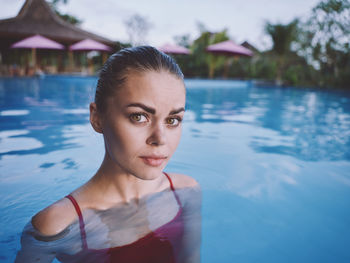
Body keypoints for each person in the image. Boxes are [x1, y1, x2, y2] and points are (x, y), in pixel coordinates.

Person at [15, 46, 201, 263]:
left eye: (172, 120)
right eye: (139, 117)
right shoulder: (56, 226)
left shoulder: (186, 192)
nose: (160, 139)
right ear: (97, 118)